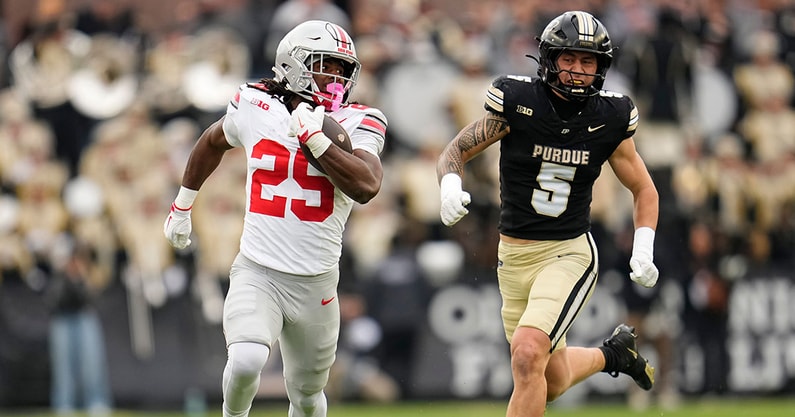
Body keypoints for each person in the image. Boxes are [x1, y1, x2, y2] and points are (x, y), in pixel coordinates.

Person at [436, 11, 659, 417]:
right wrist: (450, 184)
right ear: (549, 60)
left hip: (568, 253)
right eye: (569, 59)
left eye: (587, 62)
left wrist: (643, 246)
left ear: (601, 68)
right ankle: (615, 355)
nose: (577, 71)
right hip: (512, 257)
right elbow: (455, 150)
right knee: (548, 380)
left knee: (526, 354)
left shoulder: (609, 116)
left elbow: (644, 187)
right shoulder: (518, 102)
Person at [163, 20, 387, 417]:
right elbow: (213, 140)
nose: (336, 78)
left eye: (342, 69)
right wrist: (183, 205)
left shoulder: (360, 119)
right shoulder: (252, 102)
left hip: (316, 281)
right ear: (294, 63)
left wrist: (316, 141)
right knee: (247, 358)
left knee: (306, 395)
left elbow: (366, 186)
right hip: (258, 269)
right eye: (326, 65)